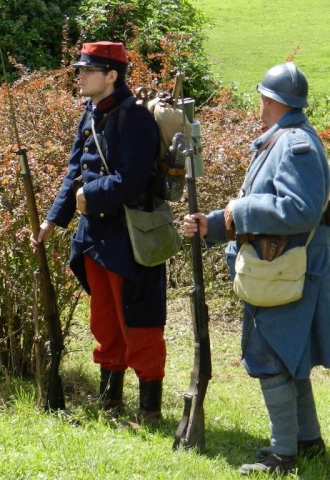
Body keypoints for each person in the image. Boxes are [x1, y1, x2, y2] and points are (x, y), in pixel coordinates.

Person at [184, 62, 330, 476]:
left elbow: (297, 211)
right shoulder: (285, 139)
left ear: (271, 100)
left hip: (284, 268)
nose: (259, 105)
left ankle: (283, 456)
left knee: (271, 356)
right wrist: (212, 224)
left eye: (263, 98)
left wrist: (238, 210)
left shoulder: (294, 144)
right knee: (289, 356)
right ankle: (308, 441)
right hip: (279, 264)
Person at [31, 42, 166, 423]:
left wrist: (89, 194)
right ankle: (110, 403)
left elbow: (133, 179)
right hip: (94, 237)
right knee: (105, 323)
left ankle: (149, 411)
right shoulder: (91, 112)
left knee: (139, 323)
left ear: (111, 76)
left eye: (88, 70)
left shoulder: (136, 119)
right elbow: (74, 170)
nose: (80, 76)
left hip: (129, 238)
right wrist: (52, 221)